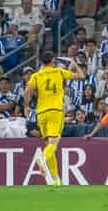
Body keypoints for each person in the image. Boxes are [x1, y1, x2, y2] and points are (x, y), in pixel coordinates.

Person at [24, 51, 84, 186]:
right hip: (55, 111)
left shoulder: (36, 75)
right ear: (52, 61)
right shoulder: (59, 72)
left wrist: (26, 106)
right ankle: (42, 158)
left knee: (48, 144)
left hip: (41, 112)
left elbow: (27, 91)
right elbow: (81, 76)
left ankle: (56, 179)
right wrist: (74, 64)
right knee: (54, 144)